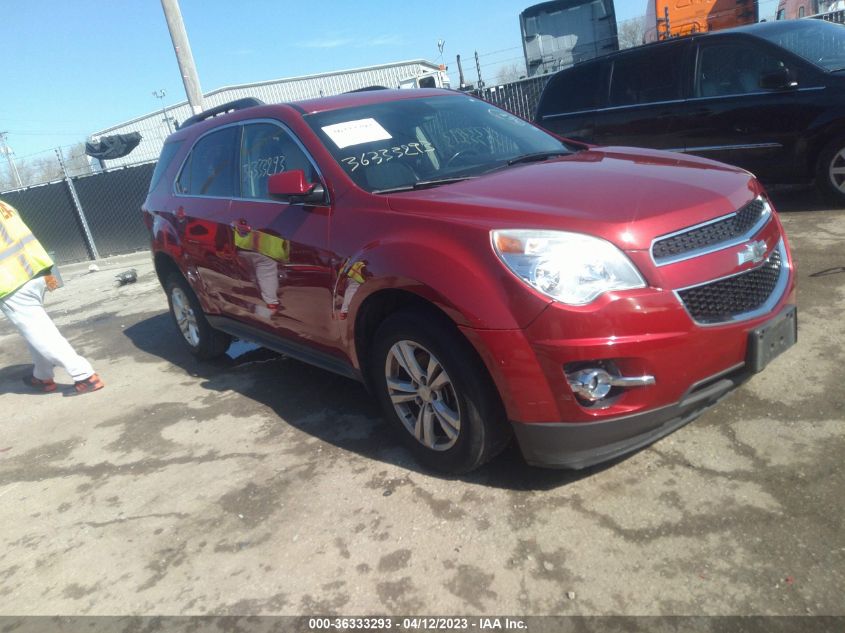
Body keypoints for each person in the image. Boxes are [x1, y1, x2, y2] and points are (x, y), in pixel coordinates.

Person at [0, 199, 103, 395]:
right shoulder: (3, 205)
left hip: (11, 281)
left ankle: (85, 376)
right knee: (34, 330)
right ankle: (42, 376)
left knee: (40, 333)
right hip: (33, 271)